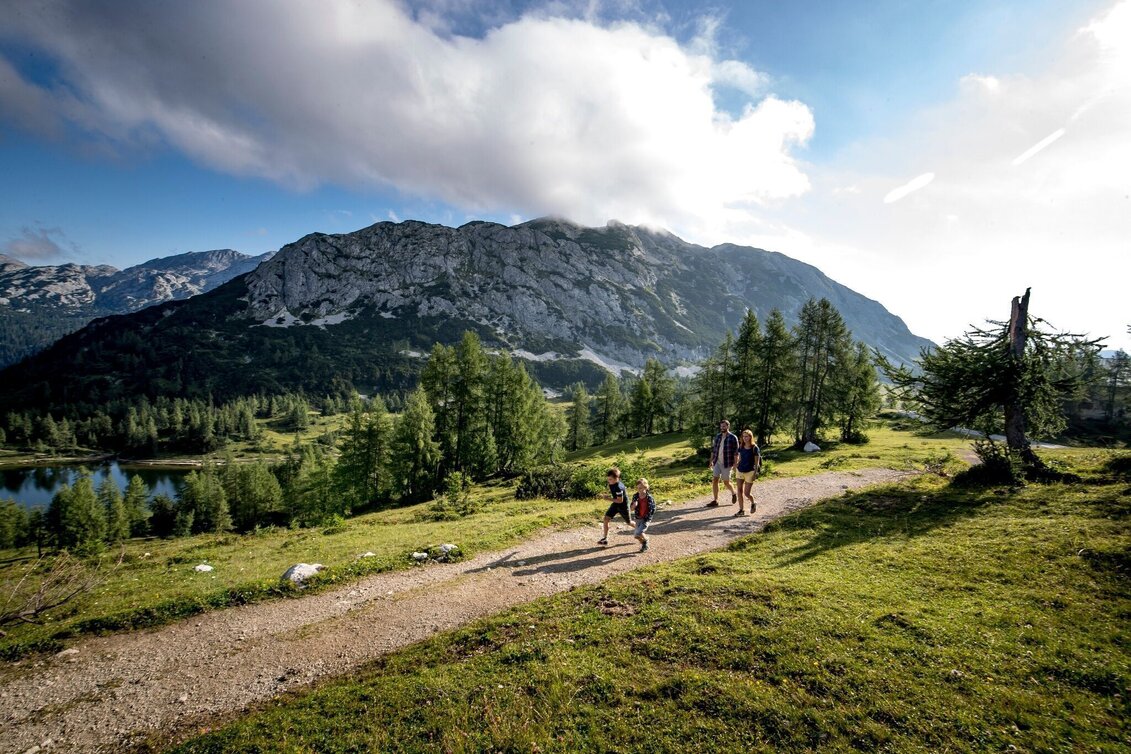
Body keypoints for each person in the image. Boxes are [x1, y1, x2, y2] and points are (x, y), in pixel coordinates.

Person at [707, 419, 738, 507]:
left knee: (726, 482)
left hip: (727, 463)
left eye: (724, 426)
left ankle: (733, 493)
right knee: (715, 480)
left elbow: (736, 452)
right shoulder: (718, 436)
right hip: (717, 462)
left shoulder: (733, 437)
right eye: (721, 426)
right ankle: (715, 500)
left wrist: (735, 464)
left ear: (728, 426)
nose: (722, 428)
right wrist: (711, 461)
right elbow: (713, 450)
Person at [733, 429, 762, 517]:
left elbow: (757, 463)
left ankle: (753, 502)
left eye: (747, 436)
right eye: (743, 436)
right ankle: (741, 510)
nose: (745, 438)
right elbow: (739, 456)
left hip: (750, 471)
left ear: (750, 437)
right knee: (739, 491)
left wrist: (755, 473)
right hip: (740, 470)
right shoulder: (741, 446)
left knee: (746, 493)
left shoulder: (754, 448)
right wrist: (736, 464)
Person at [598, 467, 629, 545]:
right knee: (606, 519)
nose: (608, 481)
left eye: (610, 479)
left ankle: (640, 530)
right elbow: (614, 495)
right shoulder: (611, 483)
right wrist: (607, 495)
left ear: (617, 478)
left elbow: (620, 500)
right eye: (608, 479)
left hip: (623, 506)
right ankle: (605, 538)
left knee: (629, 522)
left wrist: (608, 498)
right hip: (615, 504)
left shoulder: (619, 487)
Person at [631, 477, 656, 552]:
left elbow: (653, 509)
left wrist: (648, 517)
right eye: (638, 488)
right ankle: (645, 542)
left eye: (641, 488)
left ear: (646, 487)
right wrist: (634, 505)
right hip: (638, 518)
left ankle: (645, 543)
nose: (639, 490)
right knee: (636, 536)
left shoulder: (649, 498)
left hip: (645, 519)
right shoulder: (635, 496)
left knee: (639, 532)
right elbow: (631, 508)